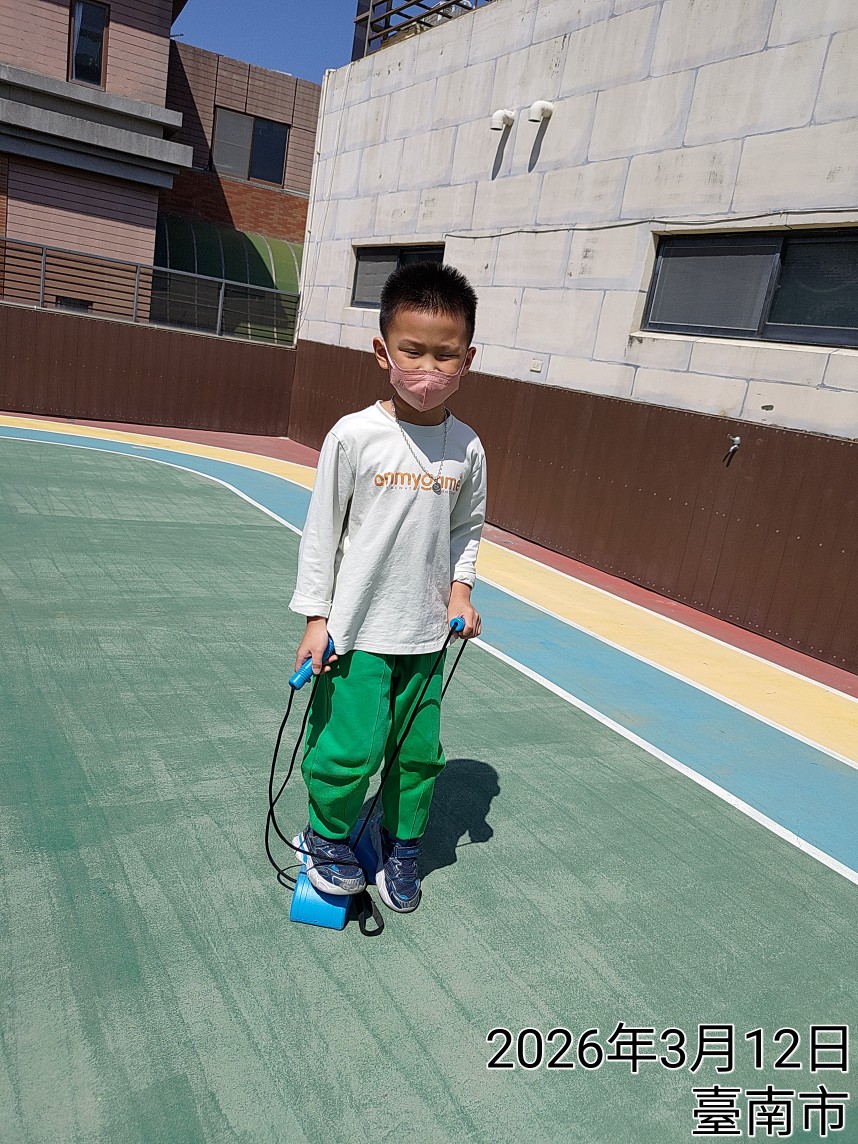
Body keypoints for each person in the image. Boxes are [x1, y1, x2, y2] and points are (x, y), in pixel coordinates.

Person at [288, 261, 487, 913]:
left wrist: (460, 592)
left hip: (427, 635)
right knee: (348, 750)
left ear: (467, 360)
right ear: (383, 352)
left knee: (419, 754)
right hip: (355, 632)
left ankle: (401, 847)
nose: (428, 368)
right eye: (412, 350)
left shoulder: (467, 447)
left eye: (445, 355)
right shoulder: (354, 435)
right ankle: (325, 838)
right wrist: (315, 618)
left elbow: (467, 526)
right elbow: (322, 532)